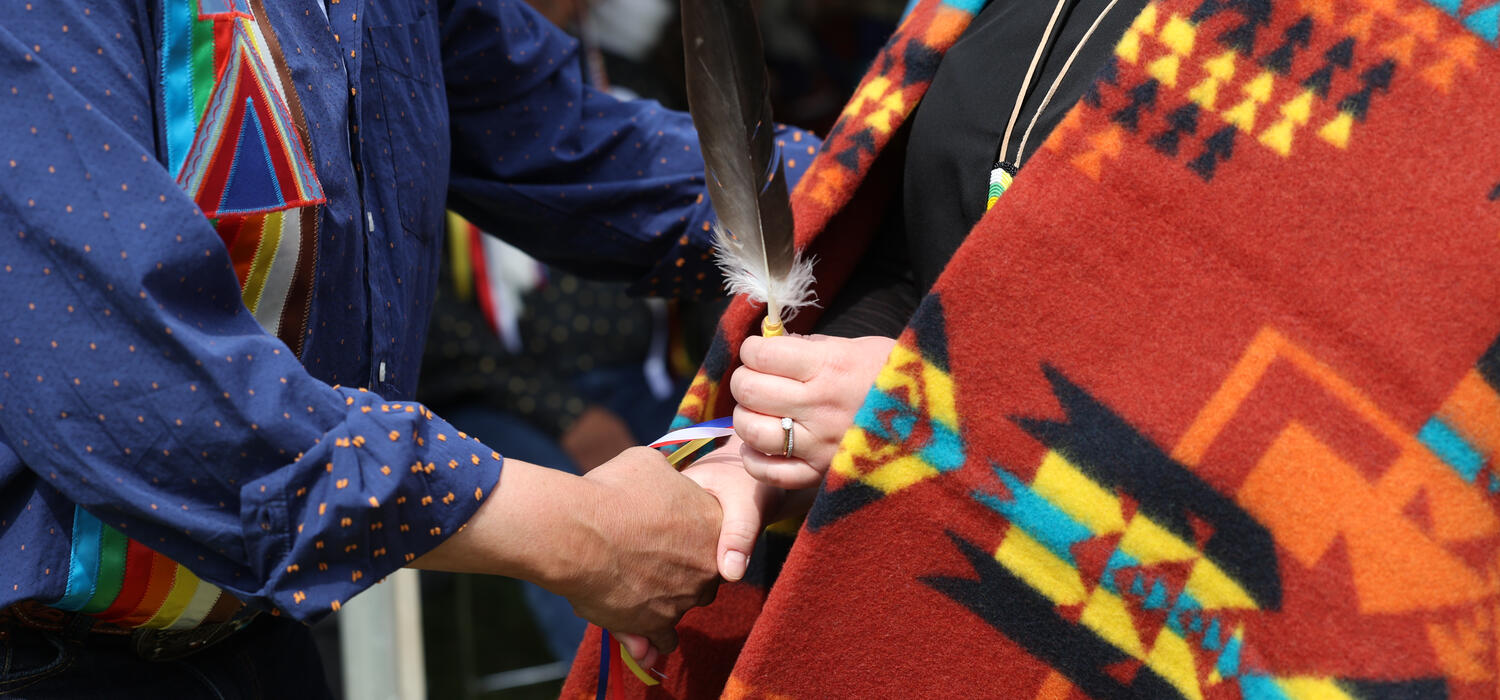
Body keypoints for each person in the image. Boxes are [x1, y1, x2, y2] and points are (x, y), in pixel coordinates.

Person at [566, 0, 1500, 697]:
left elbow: (1379, 460)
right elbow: (908, 244)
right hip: (899, 605)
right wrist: (768, 450)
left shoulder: (1450, 46)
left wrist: (933, 417)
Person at [0, 0, 814, 695]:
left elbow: (576, 145)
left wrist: (896, 170)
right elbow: (122, 388)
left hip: (256, 648)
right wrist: (581, 529)